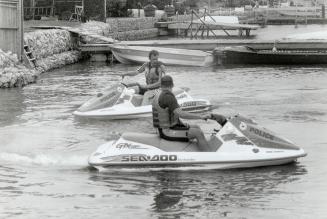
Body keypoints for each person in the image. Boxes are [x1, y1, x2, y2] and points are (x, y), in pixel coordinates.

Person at [152, 75, 225, 152]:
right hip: (166, 132)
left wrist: (183, 125)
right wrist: (201, 116)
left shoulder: (158, 93)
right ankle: (210, 156)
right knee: (198, 133)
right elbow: (181, 114)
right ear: (172, 85)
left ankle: (199, 147)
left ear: (161, 85)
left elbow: (172, 115)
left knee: (196, 127)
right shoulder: (168, 96)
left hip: (163, 129)